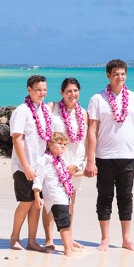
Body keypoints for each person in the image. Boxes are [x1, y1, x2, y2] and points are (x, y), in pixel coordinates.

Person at [84, 59, 134, 251]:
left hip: (128, 156)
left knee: (125, 197)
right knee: (104, 196)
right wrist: (90, 160)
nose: (120, 77)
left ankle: (126, 239)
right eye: (116, 74)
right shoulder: (97, 99)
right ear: (108, 76)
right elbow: (92, 130)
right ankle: (104, 238)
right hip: (104, 157)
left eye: (123, 74)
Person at [42, 77, 89, 251]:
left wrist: (76, 165)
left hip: (73, 163)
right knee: (51, 200)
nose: (72, 94)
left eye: (75, 90)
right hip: (54, 161)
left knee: (70, 202)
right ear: (62, 93)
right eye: (68, 91)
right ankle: (48, 238)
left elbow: (83, 143)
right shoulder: (51, 108)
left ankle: (67, 237)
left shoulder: (82, 114)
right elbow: (44, 135)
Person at [9, 74, 51, 252]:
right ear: (29, 90)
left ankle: (32, 241)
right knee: (25, 203)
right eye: (38, 90)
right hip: (23, 166)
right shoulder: (22, 111)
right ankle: (14, 237)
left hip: (40, 166)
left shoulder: (45, 111)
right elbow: (17, 140)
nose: (42, 93)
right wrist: (25, 166)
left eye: (44, 90)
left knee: (36, 204)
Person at [33, 132, 82, 257]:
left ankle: (68, 246)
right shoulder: (44, 160)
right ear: (49, 144)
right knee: (64, 222)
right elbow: (38, 179)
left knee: (66, 220)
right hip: (54, 196)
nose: (63, 147)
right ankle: (67, 249)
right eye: (59, 144)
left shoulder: (60, 160)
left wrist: (86, 173)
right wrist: (37, 196)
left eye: (65, 144)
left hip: (63, 195)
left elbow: (67, 174)